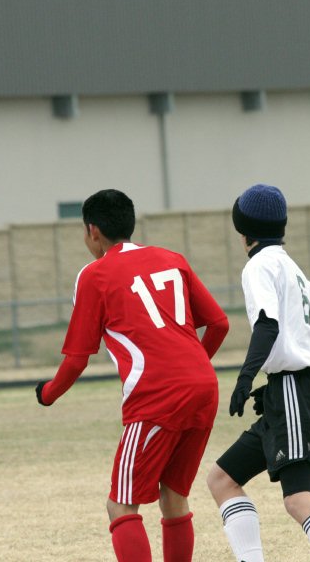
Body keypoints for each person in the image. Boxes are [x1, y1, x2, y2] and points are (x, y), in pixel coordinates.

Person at [35, 188, 229, 562]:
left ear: (92, 231)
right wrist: (193, 368)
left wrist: (48, 394)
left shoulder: (94, 275)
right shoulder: (173, 258)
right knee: (173, 497)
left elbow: (76, 360)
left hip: (156, 396)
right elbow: (219, 324)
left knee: (121, 506)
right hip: (204, 387)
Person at [206, 184, 310, 562]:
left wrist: (246, 380)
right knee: (222, 479)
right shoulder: (293, 269)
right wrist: (280, 378)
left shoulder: (259, 265)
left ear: (241, 226)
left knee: (299, 499)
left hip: (295, 390)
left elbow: (267, 324)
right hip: (294, 390)